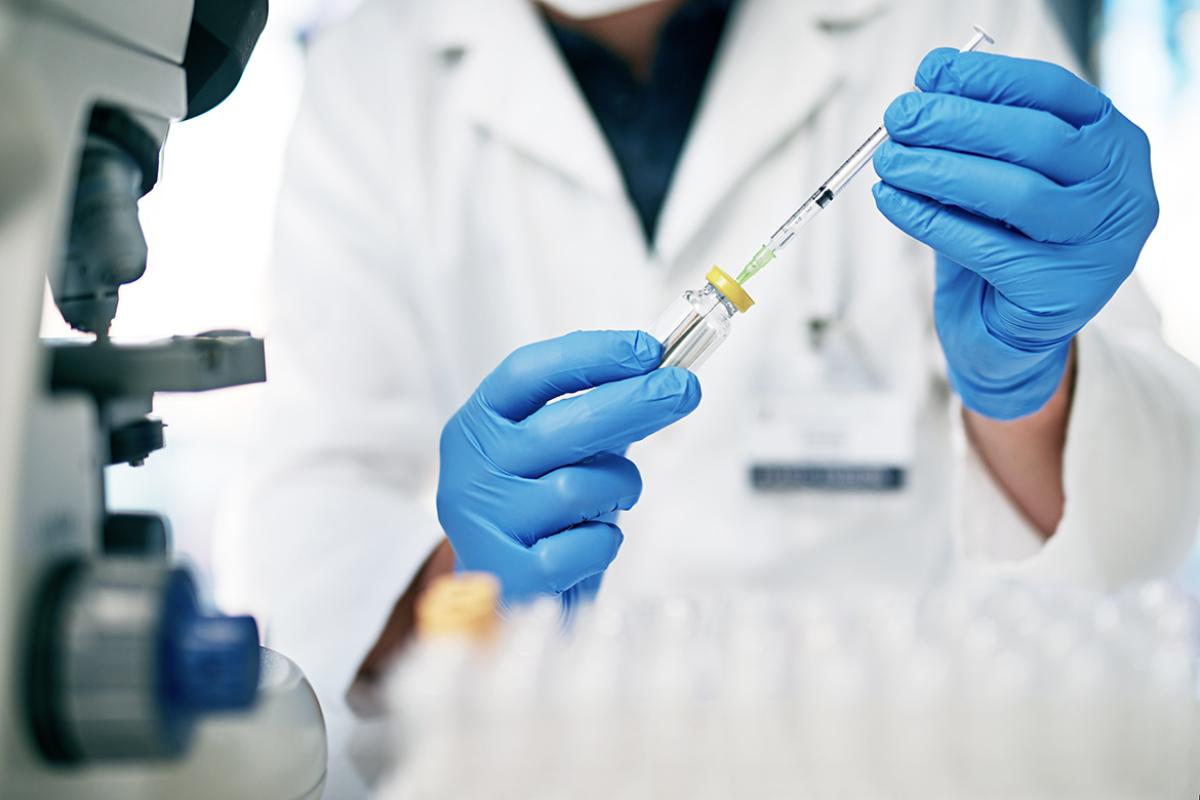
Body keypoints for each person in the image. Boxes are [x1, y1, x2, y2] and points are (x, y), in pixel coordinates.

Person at [217, 0, 1200, 775]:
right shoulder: (374, 74)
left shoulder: (933, 19)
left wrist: (1030, 381)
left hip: (888, 757)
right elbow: (316, 549)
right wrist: (467, 580)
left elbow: (1139, 528)